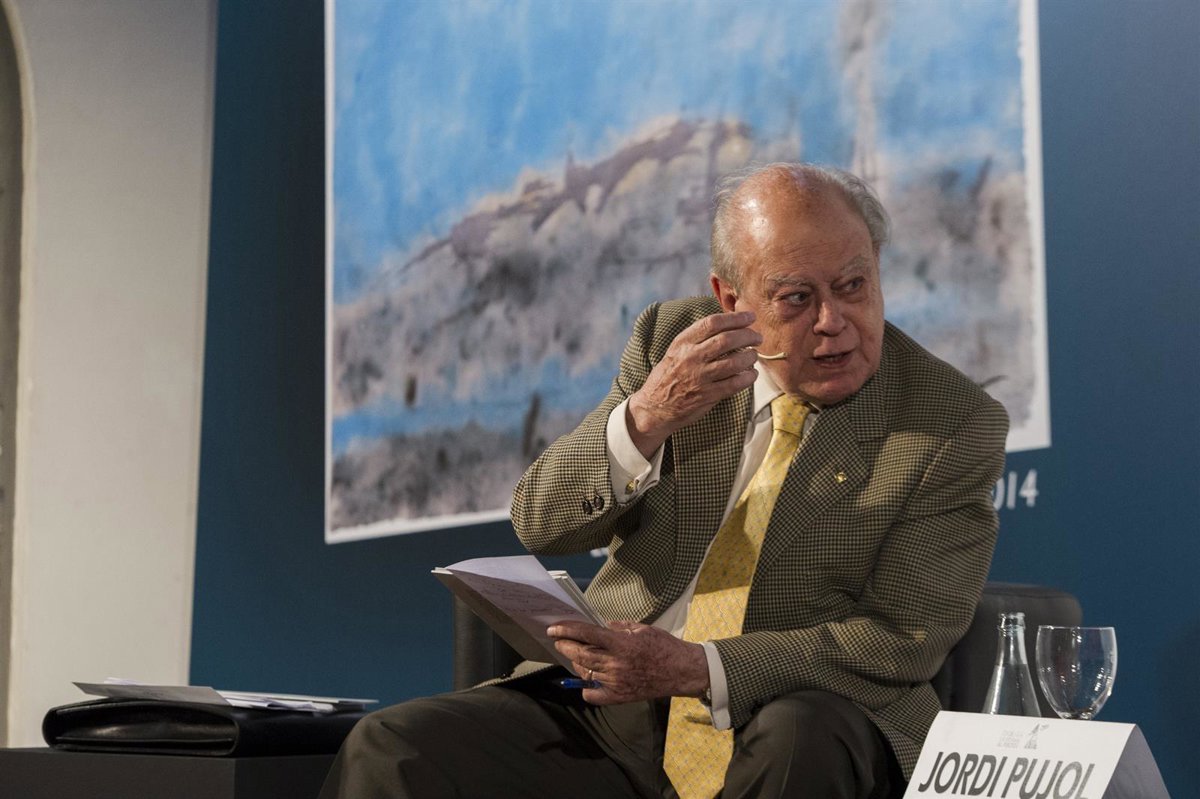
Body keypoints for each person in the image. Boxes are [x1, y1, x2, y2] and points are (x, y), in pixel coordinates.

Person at [319, 163, 1008, 799]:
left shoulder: (948, 420)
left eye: (853, 286)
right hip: (617, 710)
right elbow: (541, 523)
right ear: (729, 298)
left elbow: (901, 635)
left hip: (791, 711)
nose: (833, 323)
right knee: (392, 746)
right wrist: (647, 416)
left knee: (799, 734)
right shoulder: (672, 341)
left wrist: (697, 667)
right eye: (796, 298)